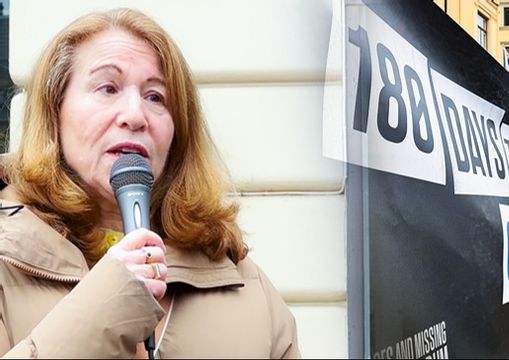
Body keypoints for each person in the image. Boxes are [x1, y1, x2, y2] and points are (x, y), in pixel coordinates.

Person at [0, 8, 299, 358]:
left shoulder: (246, 286)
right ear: (55, 113)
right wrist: (107, 305)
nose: (134, 116)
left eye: (155, 97)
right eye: (107, 88)